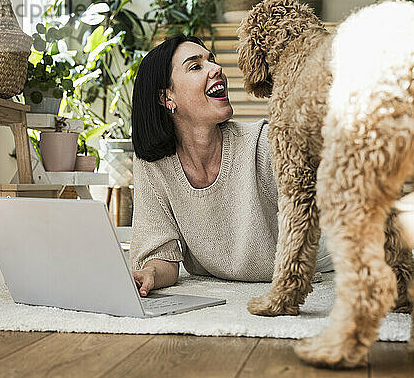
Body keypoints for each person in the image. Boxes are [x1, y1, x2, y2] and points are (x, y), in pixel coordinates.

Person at [130, 35, 332, 297]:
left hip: (328, 255)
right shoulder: (154, 165)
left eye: (211, 60)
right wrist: (150, 275)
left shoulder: (263, 143)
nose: (217, 69)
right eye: (196, 66)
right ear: (166, 97)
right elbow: (161, 257)